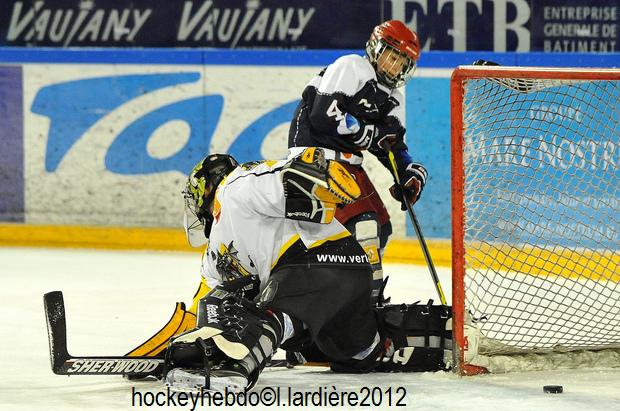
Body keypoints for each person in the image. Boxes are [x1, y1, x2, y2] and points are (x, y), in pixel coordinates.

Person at [162, 148, 395, 392]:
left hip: (324, 264)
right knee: (355, 352)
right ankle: (393, 341)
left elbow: (275, 176)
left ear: (205, 188)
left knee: (260, 311)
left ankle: (233, 366)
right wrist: (169, 348)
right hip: (345, 282)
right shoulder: (212, 255)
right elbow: (205, 306)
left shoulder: (234, 186)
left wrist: (314, 171)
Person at [287, 20, 428, 303]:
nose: (395, 65)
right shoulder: (353, 67)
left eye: (403, 61)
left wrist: (407, 172)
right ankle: (365, 304)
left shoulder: (394, 99)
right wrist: (369, 133)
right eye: (392, 55)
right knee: (365, 227)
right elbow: (323, 116)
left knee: (382, 228)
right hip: (315, 160)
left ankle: (346, 293)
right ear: (376, 50)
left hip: (348, 166)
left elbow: (392, 146)